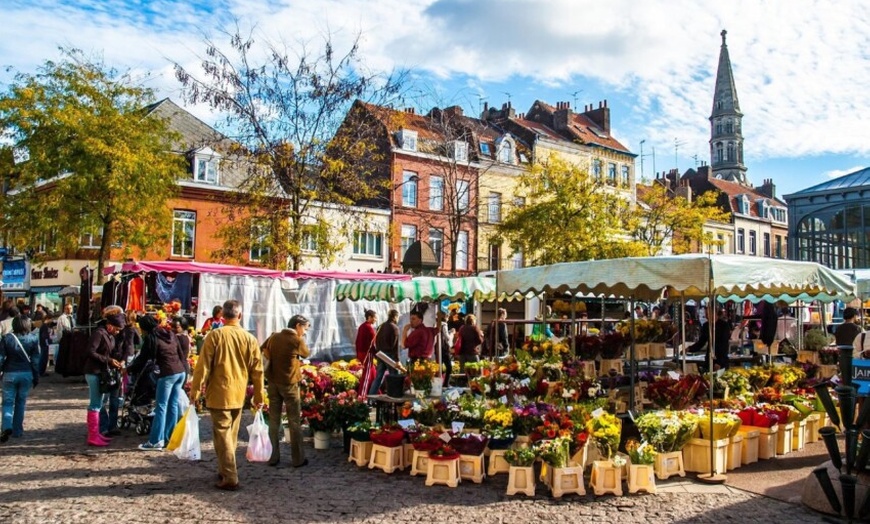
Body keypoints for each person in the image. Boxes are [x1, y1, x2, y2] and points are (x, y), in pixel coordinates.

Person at [189, 300, 265, 491]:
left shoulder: (215, 336)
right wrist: (259, 395)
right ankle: (225, 469)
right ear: (239, 315)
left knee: (222, 434)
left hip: (219, 393)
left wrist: (195, 391)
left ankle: (230, 475)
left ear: (222, 317)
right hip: (238, 393)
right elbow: (258, 370)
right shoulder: (249, 339)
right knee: (229, 435)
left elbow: (202, 367)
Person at [263, 314, 310, 468]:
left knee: (274, 420)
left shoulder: (274, 337)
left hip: (273, 381)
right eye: (304, 328)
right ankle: (298, 459)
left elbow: (263, 348)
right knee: (294, 420)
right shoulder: (296, 339)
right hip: (289, 383)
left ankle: (273, 456)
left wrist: (274, 357)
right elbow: (306, 353)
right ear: (297, 325)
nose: (304, 331)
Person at [137, 314, 188, 450]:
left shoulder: (151, 338)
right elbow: (181, 355)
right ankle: (169, 438)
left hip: (168, 373)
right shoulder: (170, 333)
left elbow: (142, 358)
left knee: (161, 407)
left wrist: (128, 369)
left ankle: (155, 441)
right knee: (172, 406)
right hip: (180, 372)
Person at [83, 306, 125, 447]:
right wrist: (108, 360)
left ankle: (97, 434)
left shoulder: (110, 335)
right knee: (95, 404)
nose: (118, 332)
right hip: (94, 372)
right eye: (117, 329)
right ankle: (93, 436)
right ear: (110, 326)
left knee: (98, 403)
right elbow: (90, 351)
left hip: (100, 372)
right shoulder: (99, 333)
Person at [0, 315, 40, 442]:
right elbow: (35, 360)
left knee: (7, 402)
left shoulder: (6, 338)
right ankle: (17, 431)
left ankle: (6, 426)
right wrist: (36, 376)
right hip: (26, 373)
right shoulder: (33, 339)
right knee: (20, 402)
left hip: (9, 373)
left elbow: (1, 358)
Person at [369, 309, 400, 396]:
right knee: (394, 376)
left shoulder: (380, 326)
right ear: (395, 317)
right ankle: (394, 396)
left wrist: (378, 352)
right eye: (398, 317)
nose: (398, 319)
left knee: (378, 377)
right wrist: (397, 359)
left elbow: (376, 340)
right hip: (389, 355)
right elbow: (395, 346)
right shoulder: (394, 328)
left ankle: (371, 398)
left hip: (380, 354)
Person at [355, 310, 377, 395]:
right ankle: (362, 395)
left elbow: (357, 341)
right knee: (366, 376)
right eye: (375, 317)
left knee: (372, 374)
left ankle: (376, 392)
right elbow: (372, 344)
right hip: (367, 354)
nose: (376, 319)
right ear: (370, 317)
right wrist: (376, 354)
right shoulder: (369, 328)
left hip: (361, 353)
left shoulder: (362, 326)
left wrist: (357, 354)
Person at [437, 311, 452, 387]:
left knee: (439, 366)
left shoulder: (436, 323)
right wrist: (451, 333)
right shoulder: (444, 324)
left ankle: (438, 382)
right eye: (448, 316)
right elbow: (447, 337)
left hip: (437, 348)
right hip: (444, 348)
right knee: (449, 367)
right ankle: (446, 383)